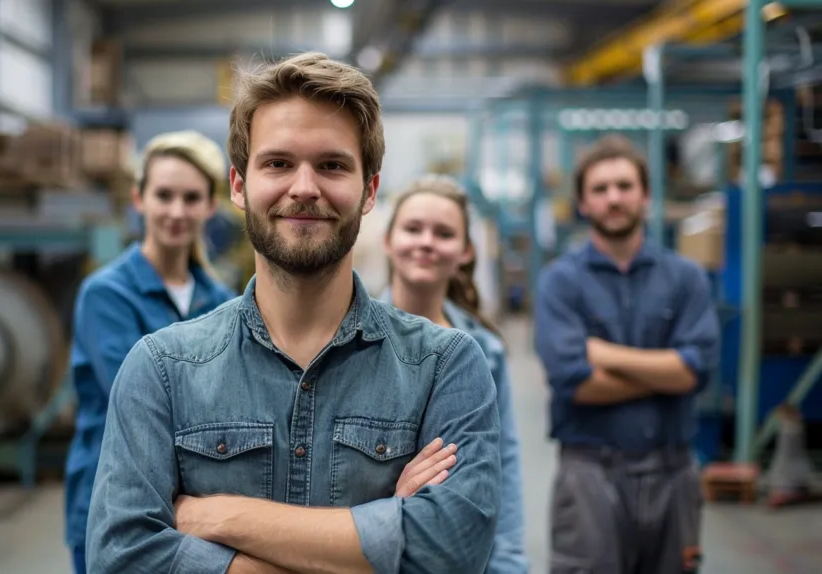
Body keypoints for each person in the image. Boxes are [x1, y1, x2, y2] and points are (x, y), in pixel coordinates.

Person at [86, 51, 502, 574]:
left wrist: (222, 517)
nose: (304, 188)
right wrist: (379, 538)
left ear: (369, 190)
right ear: (239, 186)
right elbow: (122, 558)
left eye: (331, 165)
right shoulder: (162, 369)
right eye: (278, 163)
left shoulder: (446, 366)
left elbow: (453, 551)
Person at [534, 135, 720, 574]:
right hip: (589, 473)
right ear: (582, 204)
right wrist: (665, 370)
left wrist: (605, 354)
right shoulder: (560, 283)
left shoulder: (686, 278)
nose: (613, 198)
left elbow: (697, 371)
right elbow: (573, 382)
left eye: (624, 186)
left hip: (674, 471)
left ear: (646, 195)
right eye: (600, 189)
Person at [63, 130, 236, 574]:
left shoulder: (220, 299)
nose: (177, 211)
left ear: (210, 205)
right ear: (139, 200)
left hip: (199, 504)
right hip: (117, 497)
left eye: (191, 197)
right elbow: (144, 404)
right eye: (164, 195)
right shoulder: (106, 296)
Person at [378, 175, 528, 574]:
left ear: (465, 251)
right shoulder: (353, 341)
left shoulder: (486, 353)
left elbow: (504, 467)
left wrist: (509, 563)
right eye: (413, 229)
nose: (426, 242)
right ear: (388, 241)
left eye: (443, 233)